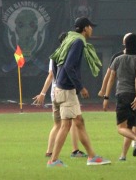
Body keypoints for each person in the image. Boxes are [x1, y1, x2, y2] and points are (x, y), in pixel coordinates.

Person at [47, 17, 110, 167]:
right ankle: (54, 160)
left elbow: (55, 58)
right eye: (90, 26)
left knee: (79, 122)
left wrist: (57, 81)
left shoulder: (69, 38)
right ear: (85, 28)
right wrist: (80, 87)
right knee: (66, 126)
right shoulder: (79, 41)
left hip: (61, 87)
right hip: (67, 89)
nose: (92, 29)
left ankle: (92, 157)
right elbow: (69, 66)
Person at [32, 32, 87, 159]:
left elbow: (51, 74)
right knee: (73, 121)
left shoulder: (54, 55)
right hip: (65, 91)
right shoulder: (68, 53)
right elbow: (59, 72)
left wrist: (43, 93)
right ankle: (74, 151)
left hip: (54, 92)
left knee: (57, 124)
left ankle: (49, 151)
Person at [97, 32, 136, 155]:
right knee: (132, 125)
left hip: (123, 95)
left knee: (121, 128)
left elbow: (110, 77)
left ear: (125, 43)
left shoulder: (117, 58)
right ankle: (123, 155)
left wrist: (105, 95)